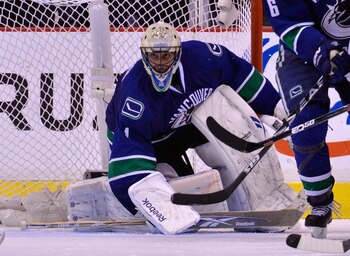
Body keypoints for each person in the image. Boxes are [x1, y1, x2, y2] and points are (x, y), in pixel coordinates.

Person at [105, 21, 293, 235]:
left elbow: (240, 74)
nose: (160, 63)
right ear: (144, 55)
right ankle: (160, 187)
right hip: (150, 145)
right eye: (154, 56)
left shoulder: (205, 59)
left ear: (178, 53)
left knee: (221, 106)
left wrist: (277, 109)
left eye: (166, 56)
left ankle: (257, 200)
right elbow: (127, 154)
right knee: (171, 190)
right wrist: (152, 200)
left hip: (185, 127)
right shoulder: (135, 98)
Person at [263, 0, 350, 238]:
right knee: (306, 127)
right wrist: (325, 50)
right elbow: (291, 27)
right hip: (301, 56)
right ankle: (321, 203)